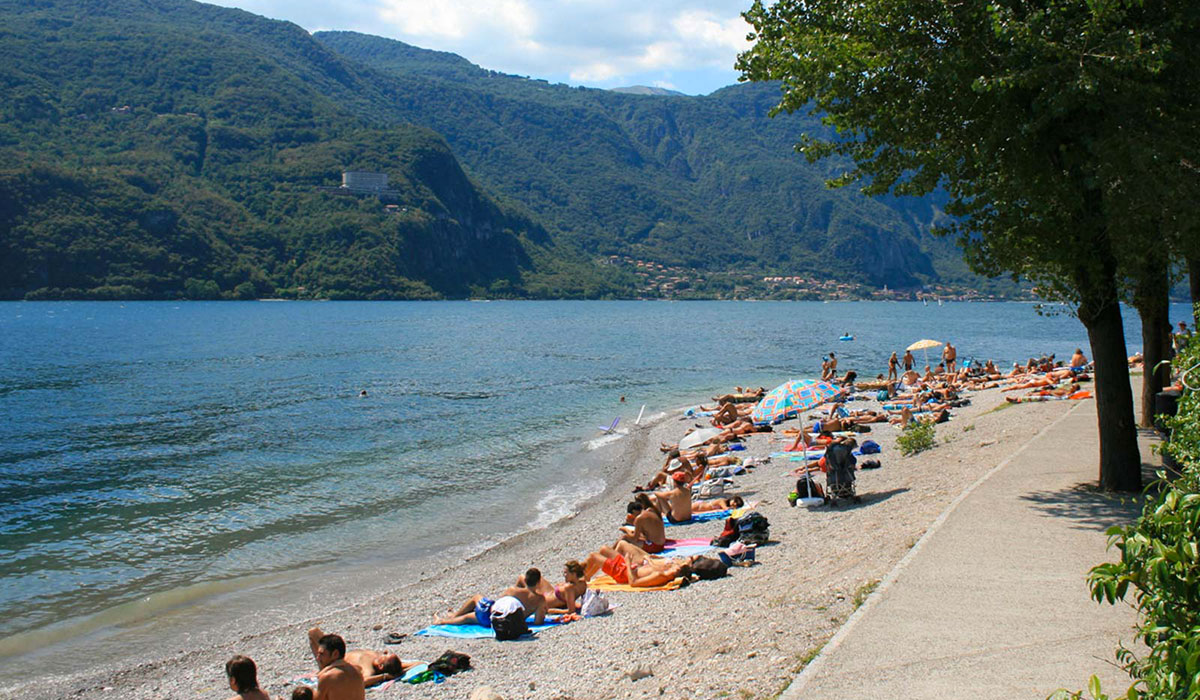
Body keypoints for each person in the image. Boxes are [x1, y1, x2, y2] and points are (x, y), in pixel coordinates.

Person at [433, 569, 547, 630]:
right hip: (508, 621)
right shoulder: (540, 599)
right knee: (469, 617)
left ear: (525, 580)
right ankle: (450, 618)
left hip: (492, 617)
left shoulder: (513, 590)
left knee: (475, 600)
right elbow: (538, 622)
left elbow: (498, 604)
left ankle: (445, 620)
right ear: (538, 582)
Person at [307, 628, 412, 691]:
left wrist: (384, 677)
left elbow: (363, 681)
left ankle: (322, 665)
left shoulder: (369, 668)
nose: (384, 652)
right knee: (314, 632)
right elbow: (415, 664)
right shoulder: (377, 657)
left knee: (314, 634)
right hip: (338, 653)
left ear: (381, 666)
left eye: (385, 656)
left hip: (332, 661)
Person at [582, 541, 694, 587]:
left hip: (623, 573)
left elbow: (633, 582)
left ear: (676, 571)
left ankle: (584, 581)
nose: (675, 565)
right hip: (629, 567)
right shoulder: (665, 572)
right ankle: (584, 577)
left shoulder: (660, 576)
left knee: (593, 556)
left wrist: (628, 562)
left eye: (677, 566)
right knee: (603, 549)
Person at [306, 632, 365, 700]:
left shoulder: (327, 677)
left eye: (322, 654)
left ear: (335, 654)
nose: (318, 658)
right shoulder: (357, 671)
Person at [519, 560, 587, 614]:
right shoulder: (583, 583)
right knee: (538, 578)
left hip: (546, 600)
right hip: (551, 592)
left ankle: (515, 600)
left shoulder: (569, 588)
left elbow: (571, 611)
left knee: (522, 578)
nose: (564, 575)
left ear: (574, 574)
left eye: (566, 573)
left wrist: (553, 611)